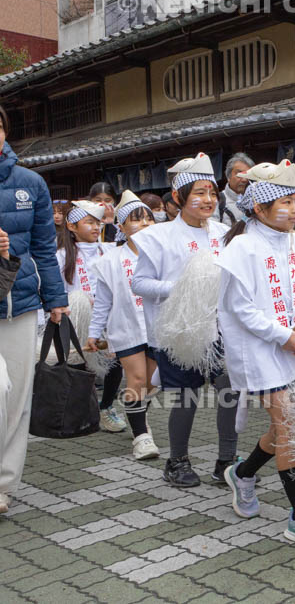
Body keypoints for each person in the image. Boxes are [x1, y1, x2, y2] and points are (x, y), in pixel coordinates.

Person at [220, 160, 295, 549]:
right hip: (257, 347)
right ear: (258, 208)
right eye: (283, 202)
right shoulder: (242, 247)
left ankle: (244, 473)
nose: (292, 209)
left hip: (294, 346)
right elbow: (241, 309)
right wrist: (283, 334)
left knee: (285, 424)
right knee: (289, 424)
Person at [132, 153, 239, 487]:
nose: (208, 200)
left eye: (212, 193)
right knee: (187, 397)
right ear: (179, 198)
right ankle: (177, 461)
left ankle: (226, 461)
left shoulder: (225, 233)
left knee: (229, 391)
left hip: (220, 329)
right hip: (178, 332)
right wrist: (180, 288)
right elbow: (139, 282)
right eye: (199, 193)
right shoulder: (158, 236)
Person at [0, 104, 69, 515]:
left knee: (17, 398)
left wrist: (56, 298)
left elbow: (45, 246)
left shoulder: (32, 183)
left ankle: (3, 483)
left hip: (21, 304)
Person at [87, 191, 160, 460]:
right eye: (135, 220)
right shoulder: (110, 261)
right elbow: (103, 302)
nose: (143, 225)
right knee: (137, 379)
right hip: (126, 328)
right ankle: (142, 438)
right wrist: (95, 333)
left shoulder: (163, 254)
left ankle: (136, 413)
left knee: (152, 382)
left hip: (156, 329)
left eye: (148, 220)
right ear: (120, 227)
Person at [55, 200, 126, 433]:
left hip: (108, 315)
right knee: (78, 364)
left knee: (114, 362)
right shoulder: (62, 255)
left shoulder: (109, 249)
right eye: (89, 223)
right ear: (72, 226)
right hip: (76, 316)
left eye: (98, 222)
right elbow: (58, 289)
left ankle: (106, 407)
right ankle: (80, 412)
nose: (96, 227)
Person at [218, 152, 254, 225]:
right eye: (239, 174)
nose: (244, 180)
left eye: (247, 175)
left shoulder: (256, 200)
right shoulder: (218, 200)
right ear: (228, 176)